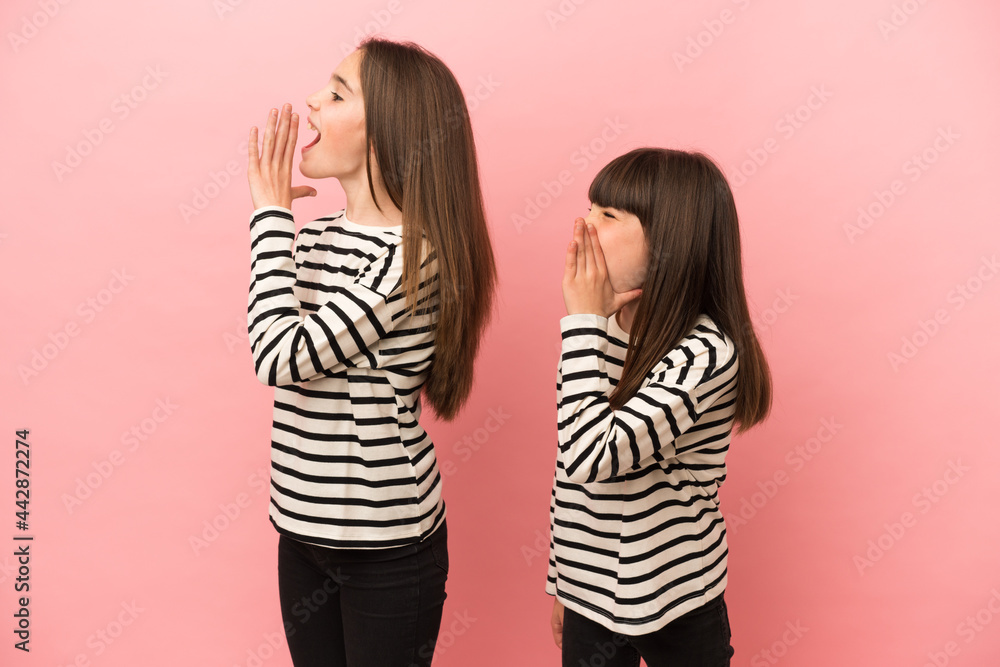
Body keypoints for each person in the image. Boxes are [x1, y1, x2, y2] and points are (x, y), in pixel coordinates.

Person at [245, 36, 497, 667]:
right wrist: (282, 228)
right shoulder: (320, 236)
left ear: (388, 129)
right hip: (301, 529)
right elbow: (281, 343)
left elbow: (279, 356)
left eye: (336, 93)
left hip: (385, 547)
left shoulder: (414, 257)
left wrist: (270, 217)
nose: (311, 102)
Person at [547, 147, 772, 666]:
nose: (583, 223)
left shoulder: (706, 352)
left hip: (678, 595)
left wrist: (581, 324)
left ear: (669, 242)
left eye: (608, 215)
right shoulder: (598, 326)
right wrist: (563, 579)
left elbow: (592, 456)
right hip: (590, 592)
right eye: (590, 207)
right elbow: (568, 469)